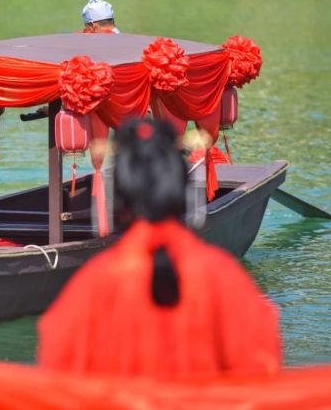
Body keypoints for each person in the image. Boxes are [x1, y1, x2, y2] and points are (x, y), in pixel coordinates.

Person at [37, 118, 281, 378]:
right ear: (184, 192)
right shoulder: (223, 276)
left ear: (118, 197)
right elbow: (262, 367)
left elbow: (57, 376)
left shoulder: (94, 283)